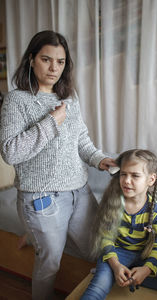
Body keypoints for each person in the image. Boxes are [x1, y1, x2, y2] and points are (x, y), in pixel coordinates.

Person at [0, 30, 116, 300]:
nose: (54, 68)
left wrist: (100, 159)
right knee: (50, 262)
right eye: (46, 59)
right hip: (43, 199)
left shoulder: (70, 99)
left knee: (100, 248)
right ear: (31, 60)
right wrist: (51, 122)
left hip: (80, 192)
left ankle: (34, 233)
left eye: (60, 62)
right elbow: (10, 152)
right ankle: (37, 234)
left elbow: (82, 141)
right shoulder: (16, 100)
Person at [80, 149, 157, 300]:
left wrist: (146, 270)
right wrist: (116, 265)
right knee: (97, 288)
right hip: (117, 254)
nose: (126, 180)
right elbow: (105, 239)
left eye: (135, 175)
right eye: (123, 174)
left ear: (151, 180)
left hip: (144, 254)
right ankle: (116, 273)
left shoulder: (156, 210)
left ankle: (130, 276)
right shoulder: (114, 204)